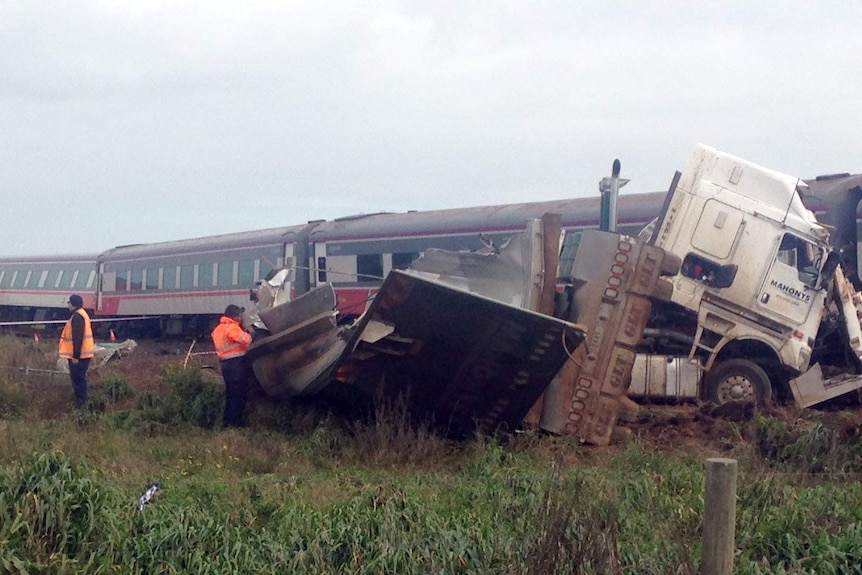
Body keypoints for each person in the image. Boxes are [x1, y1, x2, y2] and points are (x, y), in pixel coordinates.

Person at [211, 304, 253, 427]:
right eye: (239, 315)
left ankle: (227, 421)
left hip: (225, 364)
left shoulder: (217, 329)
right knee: (238, 394)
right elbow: (248, 340)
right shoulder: (232, 328)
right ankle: (236, 423)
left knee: (230, 393)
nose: (241, 318)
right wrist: (251, 332)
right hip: (236, 365)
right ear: (235, 316)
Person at [58, 294, 95, 408]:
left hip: (80, 356)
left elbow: (77, 337)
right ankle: (82, 402)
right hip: (84, 354)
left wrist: (75, 356)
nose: (68, 305)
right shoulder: (82, 314)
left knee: (78, 379)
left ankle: (82, 403)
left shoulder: (77, 317)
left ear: (73, 304)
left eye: (69, 302)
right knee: (79, 378)